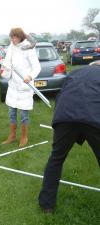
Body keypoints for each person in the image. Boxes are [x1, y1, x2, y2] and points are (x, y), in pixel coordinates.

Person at [38, 61, 100, 213]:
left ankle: (47, 205)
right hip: (92, 118)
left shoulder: (75, 72)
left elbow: (61, 95)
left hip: (64, 116)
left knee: (56, 159)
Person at [0, 27, 41, 147]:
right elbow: (7, 61)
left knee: (24, 115)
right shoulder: (12, 47)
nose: (13, 40)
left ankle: (24, 137)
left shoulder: (28, 48)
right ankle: (12, 136)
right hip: (13, 86)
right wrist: (5, 67)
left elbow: (37, 67)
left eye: (15, 37)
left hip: (25, 86)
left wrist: (30, 76)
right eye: (11, 37)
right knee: (11, 113)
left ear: (20, 37)